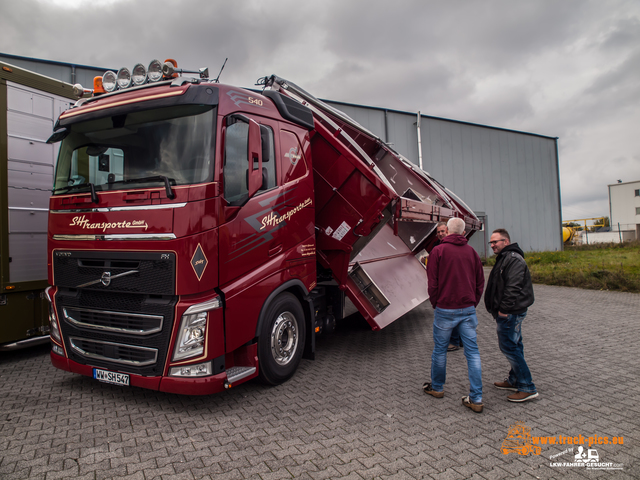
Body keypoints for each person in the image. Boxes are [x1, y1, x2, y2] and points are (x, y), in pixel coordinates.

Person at [423, 217, 485, 413]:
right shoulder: (472, 252)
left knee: (440, 350)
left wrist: (435, 302)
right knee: (472, 353)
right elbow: (480, 282)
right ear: (464, 233)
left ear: (447, 232)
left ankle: (437, 388)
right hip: (467, 309)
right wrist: (472, 302)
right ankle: (476, 398)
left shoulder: (438, 251)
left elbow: (432, 282)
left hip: (445, 309)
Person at [484, 228, 538, 403]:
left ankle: (527, 387)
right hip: (510, 312)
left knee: (509, 347)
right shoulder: (506, 257)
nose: (492, 245)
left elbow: (513, 287)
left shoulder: (513, 259)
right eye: (491, 242)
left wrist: (504, 310)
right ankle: (515, 379)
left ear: (505, 242)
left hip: (510, 313)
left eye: (495, 242)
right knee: (515, 345)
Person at [423, 222, 463, 352]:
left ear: (447, 230)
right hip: (445, 287)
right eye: (438, 232)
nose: (440, 234)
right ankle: (458, 340)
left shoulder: (445, 247)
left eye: (442, 231)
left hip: (450, 288)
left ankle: (454, 341)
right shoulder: (436, 246)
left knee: (451, 316)